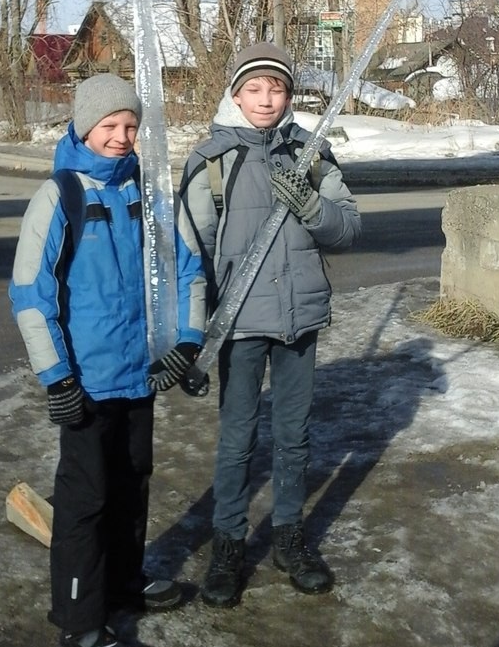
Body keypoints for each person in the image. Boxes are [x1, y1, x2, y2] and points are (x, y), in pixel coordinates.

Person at [9, 73, 206, 647]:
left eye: (130, 126)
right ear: (83, 126)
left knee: (132, 484)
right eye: (109, 126)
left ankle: (124, 581)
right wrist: (56, 377)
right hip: (86, 383)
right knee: (84, 500)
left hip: (137, 377)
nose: (121, 137)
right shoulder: (60, 196)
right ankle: (79, 621)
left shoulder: (148, 194)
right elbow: (29, 294)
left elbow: (187, 268)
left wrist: (186, 341)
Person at [178, 42, 361, 608]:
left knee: (294, 436)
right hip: (237, 324)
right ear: (235, 94)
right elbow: (191, 257)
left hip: (298, 317)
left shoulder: (312, 154)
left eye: (276, 88)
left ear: (289, 95)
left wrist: (311, 208)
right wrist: (191, 337)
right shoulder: (210, 160)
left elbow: (349, 229)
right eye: (254, 88)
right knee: (236, 439)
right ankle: (229, 545)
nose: (265, 99)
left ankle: (288, 538)